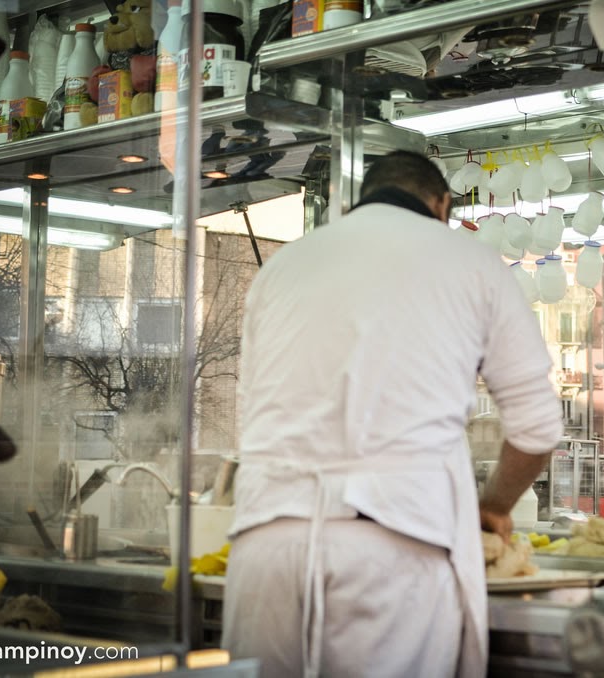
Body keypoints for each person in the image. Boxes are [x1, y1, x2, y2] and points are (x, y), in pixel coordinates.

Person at [222, 151, 563, 678]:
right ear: (442, 204)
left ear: (365, 199)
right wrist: (493, 506)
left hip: (265, 549)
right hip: (390, 550)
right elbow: (538, 427)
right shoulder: (469, 261)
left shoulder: (286, 265)